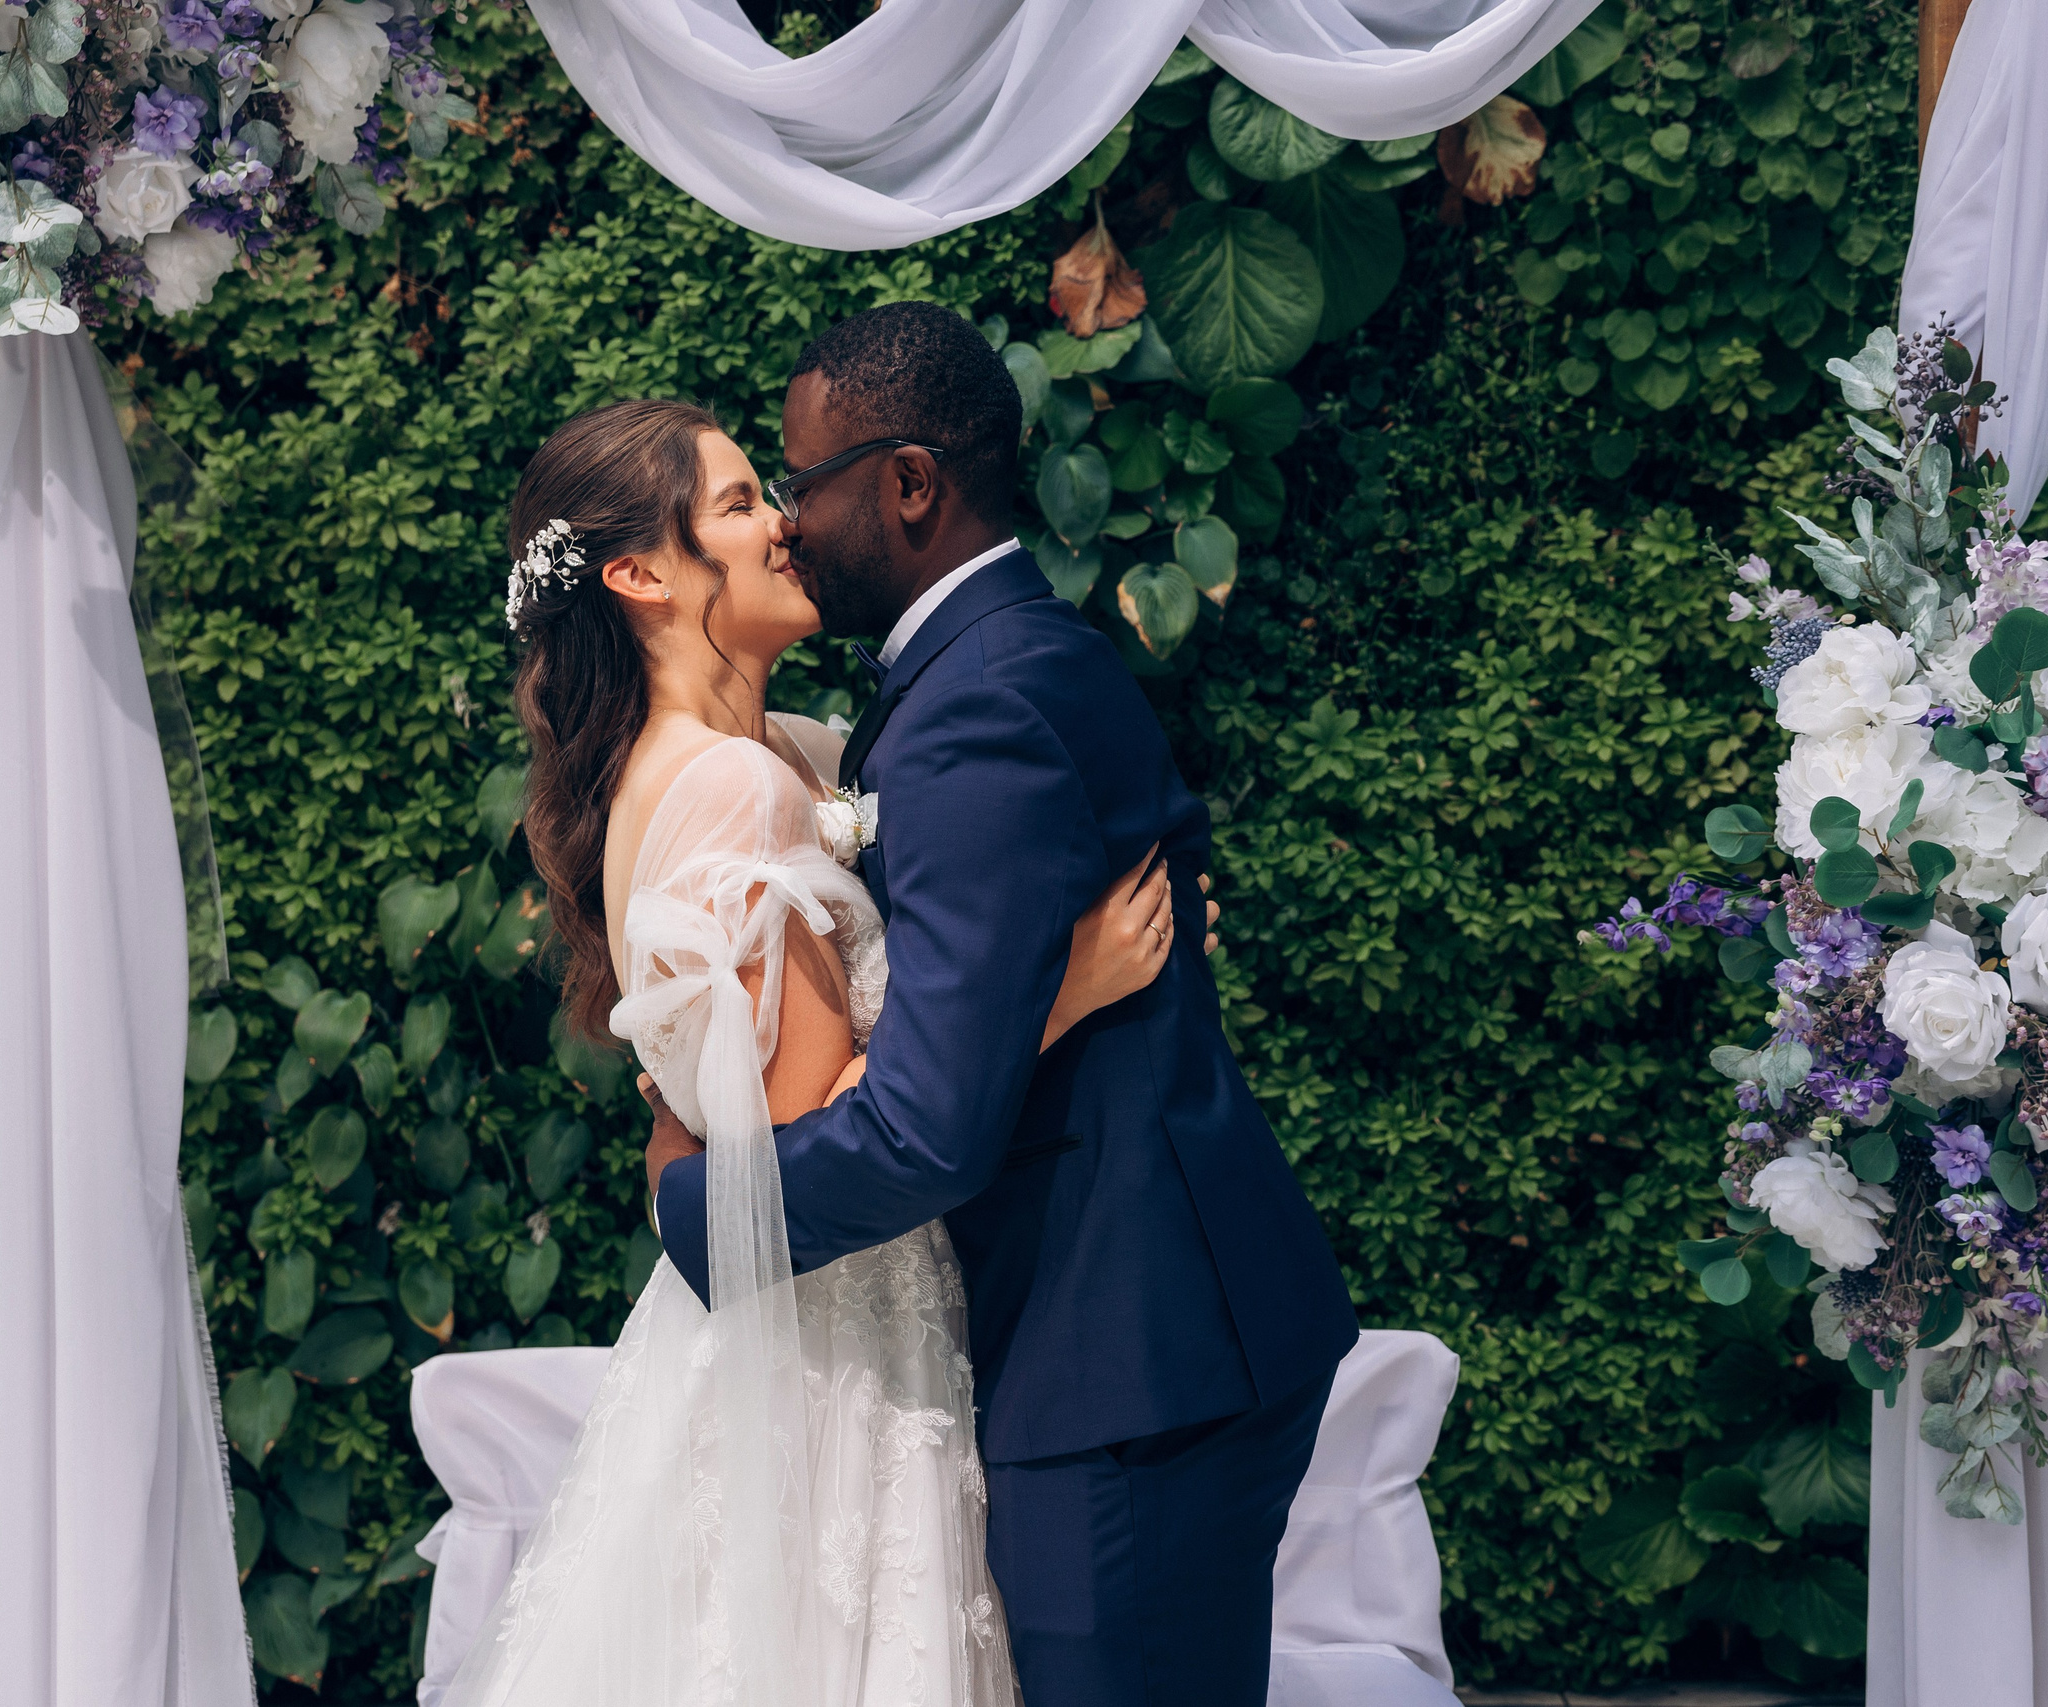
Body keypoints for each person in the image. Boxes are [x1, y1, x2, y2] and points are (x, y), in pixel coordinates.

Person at [647, 301, 1359, 1706]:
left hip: (1126, 1364)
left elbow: (924, 1131)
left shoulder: (975, 705)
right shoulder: (991, 668)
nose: (788, 522)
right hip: (1138, 1336)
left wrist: (697, 1204)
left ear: (910, 485)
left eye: (803, 482)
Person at [441, 395, 1185, 1706]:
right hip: (834, 1338)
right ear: (641, 577)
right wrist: (1057, 993)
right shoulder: (734, 786)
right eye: (737, 504)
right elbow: (816, 1131)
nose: (783, 521)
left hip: (797, 1319)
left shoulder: (775, 755)